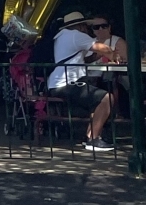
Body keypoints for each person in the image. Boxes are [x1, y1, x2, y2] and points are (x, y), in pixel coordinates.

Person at [46, 13, 115, 151]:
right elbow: (103, 48)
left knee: (97, 100)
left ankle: (91, 137)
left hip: (58, 83)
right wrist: (114, 54)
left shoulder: (63, 36)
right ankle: (93, 139)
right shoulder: (75, 35)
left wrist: (98, 55)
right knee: (107, 98)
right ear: (80, 26)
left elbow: (85, 59)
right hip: (66, 83)